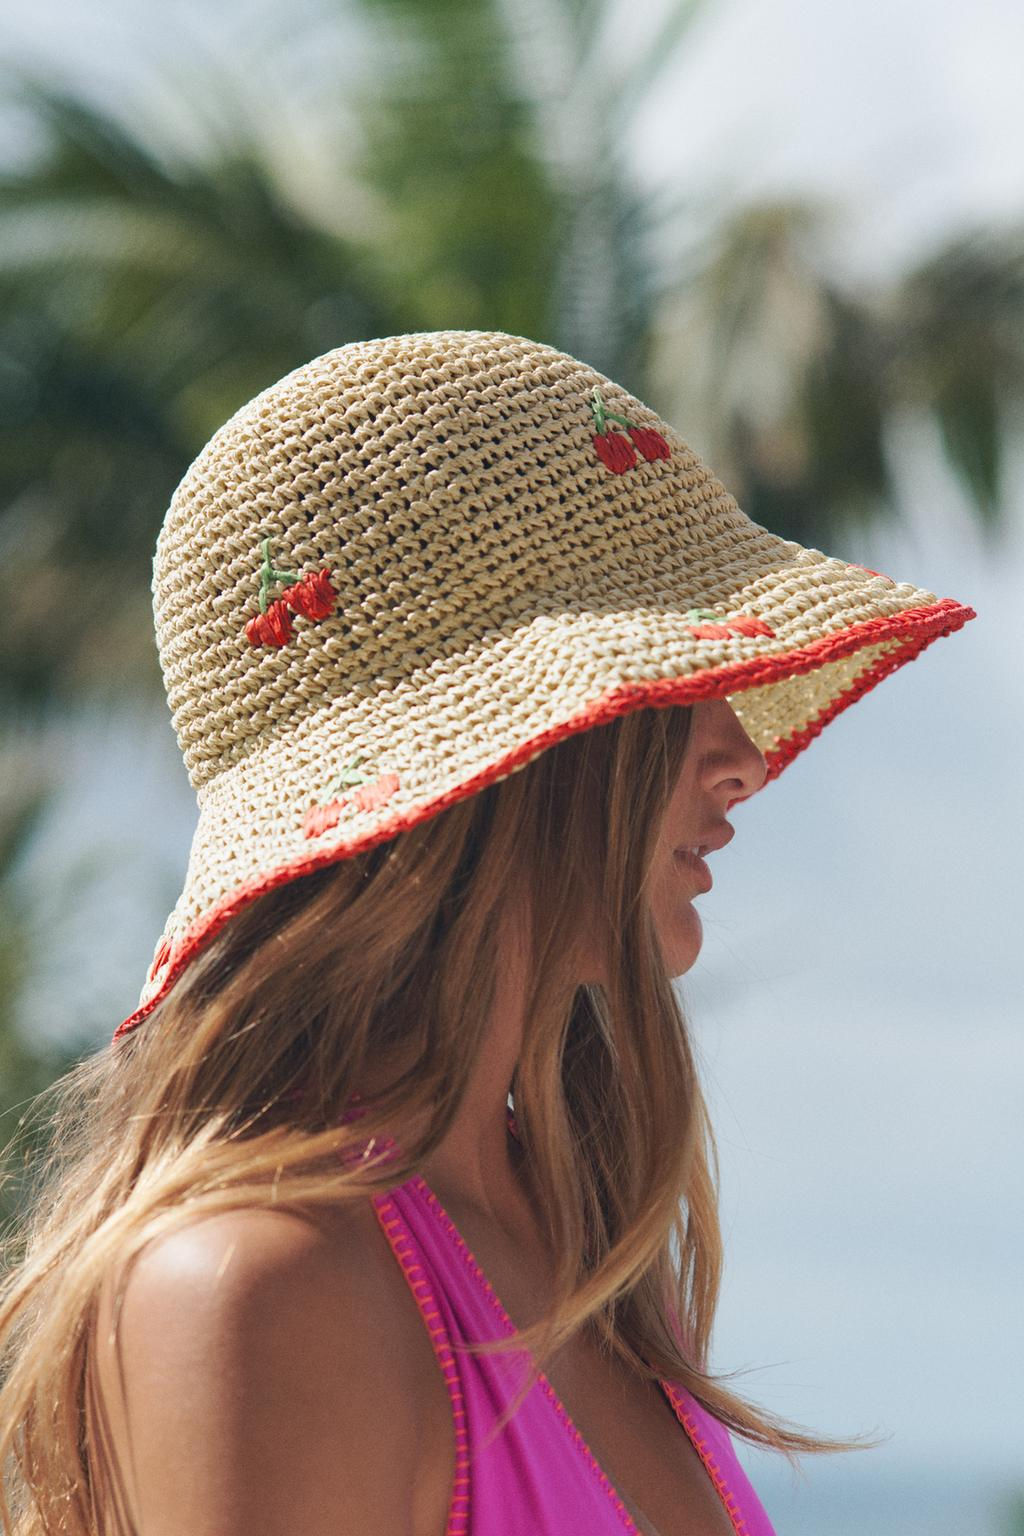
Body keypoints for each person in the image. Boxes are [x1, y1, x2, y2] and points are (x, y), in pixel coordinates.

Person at [0, 331, 975, 1536]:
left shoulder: (569, 1242)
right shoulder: (269, 1287)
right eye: (672, 680)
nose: (742, 757)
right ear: (506, 756)